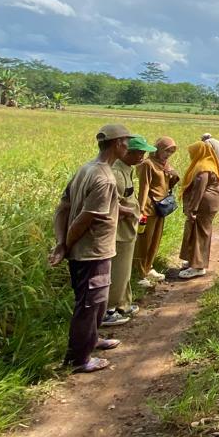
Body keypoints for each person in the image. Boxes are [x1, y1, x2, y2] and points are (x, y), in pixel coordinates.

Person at [48, 124, 133, 373]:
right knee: (89, 304)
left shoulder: (86, 169)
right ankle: (78, 359)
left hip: (91, 251)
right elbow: (86, 217)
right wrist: (65, 245)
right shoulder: (105, 178)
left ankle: (92, 340)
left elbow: (63, 207)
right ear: (117, 144)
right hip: (91, 251)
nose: (128, 147)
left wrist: (61, 241)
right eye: (126, 142)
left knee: (97, 301)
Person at [104, 135, 155, 326]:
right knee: (116, 271)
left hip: (127, 228)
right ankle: (109, 309)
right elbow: (111, 204)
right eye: (139, 152)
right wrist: (129, 212)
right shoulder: (116, 173)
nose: (142, 156)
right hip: (118, 231)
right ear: (127, 152)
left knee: (124, 271)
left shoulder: (127, 170)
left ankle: (123, 304)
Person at [133, 136, 179, 287]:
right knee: (144, 241)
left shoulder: (163, 165)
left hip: (161, 207)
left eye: (171, 152)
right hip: (148, 208)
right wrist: (140, 209)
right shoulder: (148, 164)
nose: (168, 154)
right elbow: (144, 187)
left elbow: (168, 184)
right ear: (158, 149)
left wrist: (173, 174)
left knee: (155, 240)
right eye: (166, 151)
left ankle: (149, 267)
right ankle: (140, 273)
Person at [177, 139, 219, 280]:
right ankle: (194, 260)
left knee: (200, 233)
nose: (191, 155)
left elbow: (199, 190)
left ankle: (198, 267)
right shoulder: (208, 163)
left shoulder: (203, 167)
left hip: (204, 205)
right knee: (198, 231)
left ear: (199, 152)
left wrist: (193, 209)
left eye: (192, 153)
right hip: (208, 203)